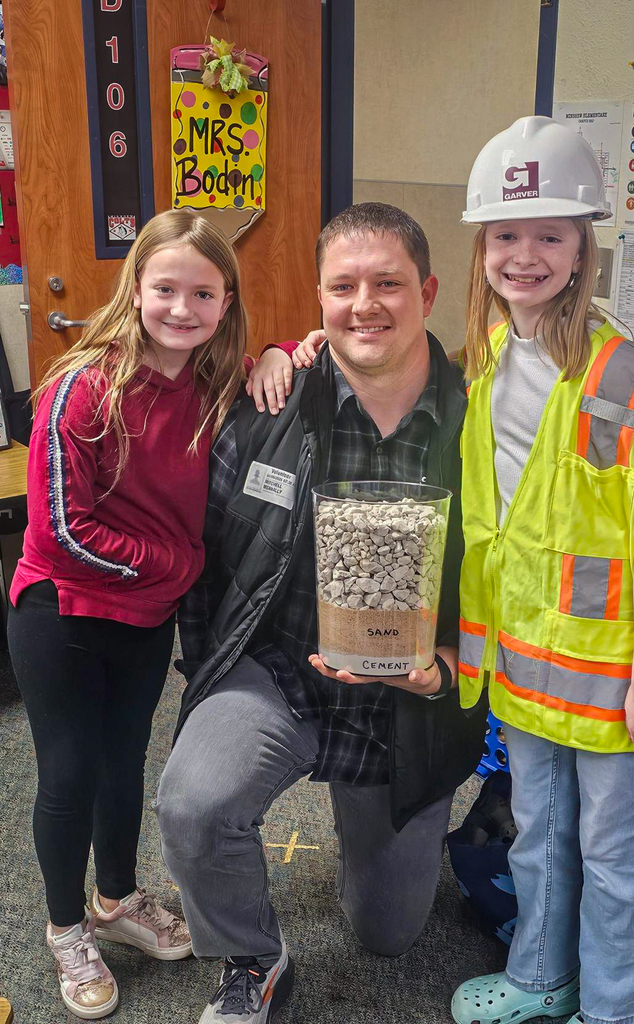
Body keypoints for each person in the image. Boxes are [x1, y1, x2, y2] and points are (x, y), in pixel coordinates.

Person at [262, 119, 634, 1024]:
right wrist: (294, 346)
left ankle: (613, 1009)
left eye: (550, 235)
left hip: (615, 670)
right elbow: (374, 349)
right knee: (538, 836)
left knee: (614, 853)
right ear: (480, 247)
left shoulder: (624, 375)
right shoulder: (491, 359)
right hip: (524, 663)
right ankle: (541, 979)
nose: (525, 255)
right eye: (505, 235)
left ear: (583, 245)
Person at [155, 202, 486, 1024]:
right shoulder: (272, 403)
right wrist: (211, 682)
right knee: (193, 801)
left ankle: (367, 841)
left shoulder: (481, 423)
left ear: (429, 291)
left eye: (388, 284)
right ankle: (253, 959)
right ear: (319, 297)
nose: (365, 304)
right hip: (285, 676)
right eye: (344, 286)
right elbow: (209, 561)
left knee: (388, 933)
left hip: (408, 702)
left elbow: (509, 585)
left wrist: (449, 670)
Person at [7, 210, 247, 1019]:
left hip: (149, 619)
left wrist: (287, 351)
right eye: (166, 288)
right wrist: (181, 567)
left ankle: (116, 900)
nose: (183, 308)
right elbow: (63, 532)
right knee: (69, 772)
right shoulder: (83, 386)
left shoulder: (216, 384)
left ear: (225, 303)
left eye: (203, 294)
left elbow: (283, 362)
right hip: (64, 612)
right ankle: (66, 926)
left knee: (125, 762)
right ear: (136, 289)